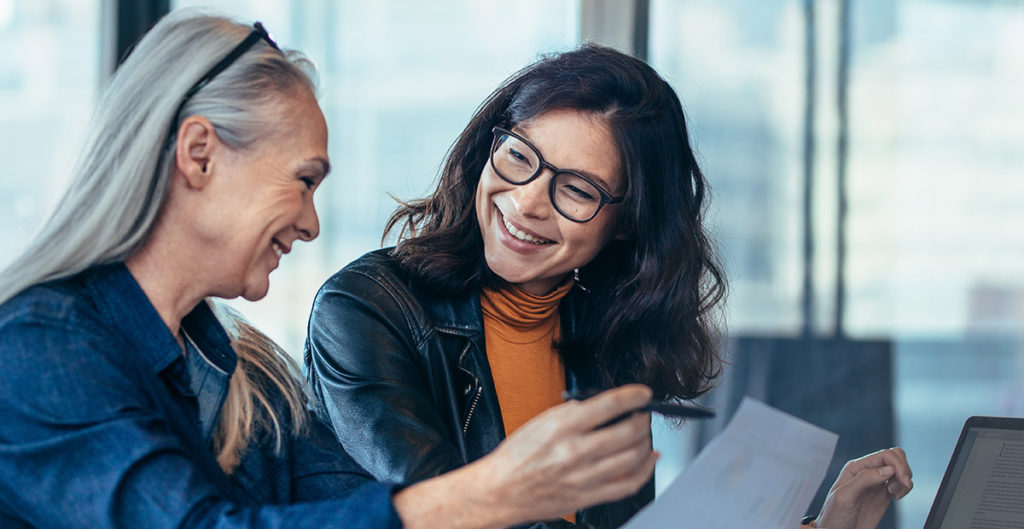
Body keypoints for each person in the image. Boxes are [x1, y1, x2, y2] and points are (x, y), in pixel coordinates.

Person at [0, 11, 661, 529]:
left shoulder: (247, 377)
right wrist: (491, 492)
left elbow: (348, 504)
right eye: (303, 180)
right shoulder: (36, 347)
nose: (313, 224)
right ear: (200, 154)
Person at [304, 44, 914, 529]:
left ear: (627, 225)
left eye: (576, 190)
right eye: (520, 157)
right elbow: (446, 512)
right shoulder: (366, 308)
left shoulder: (608, 339)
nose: (526, 202)